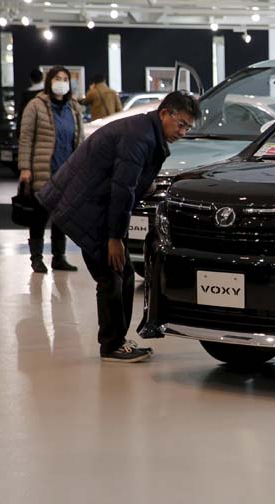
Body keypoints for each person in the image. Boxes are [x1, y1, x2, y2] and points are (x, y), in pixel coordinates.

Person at [37, 91, 198, 363]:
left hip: (89, 203)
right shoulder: (140, 137)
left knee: (122, 273)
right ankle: (111, 345)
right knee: (111, 276)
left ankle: (117, 341)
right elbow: (122, 190)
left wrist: (146, 184)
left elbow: (127, 182)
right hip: (85, 207)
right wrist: (115, 238)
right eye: (181, 124)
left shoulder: (145, 131)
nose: (182, 132)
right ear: (164, 114)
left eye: (188, 128)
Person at [18, 66, 84, 274]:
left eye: (65, 78)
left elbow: (80, 140)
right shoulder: (35, 106)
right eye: (57, 78)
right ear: (49, 81)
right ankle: (36, 258)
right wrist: (25, 167)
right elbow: (26, 137)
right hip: (43, 170)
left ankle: (59, 257)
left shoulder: (74, 108)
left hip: (67, 171)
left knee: (62, 217)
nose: (62, 82)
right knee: (39, 216)